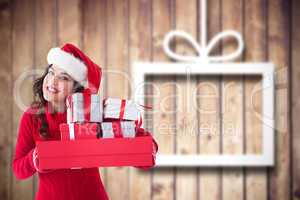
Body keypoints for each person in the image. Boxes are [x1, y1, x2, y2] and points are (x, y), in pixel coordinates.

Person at [12, 43, 112, 200]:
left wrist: (147, 147)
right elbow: (18, 169)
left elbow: (129, 138)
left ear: (76, 89)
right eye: (51, 72)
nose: (52, 81)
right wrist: (34, 159)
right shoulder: (32, 116)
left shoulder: (92, 112)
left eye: (63, 77)